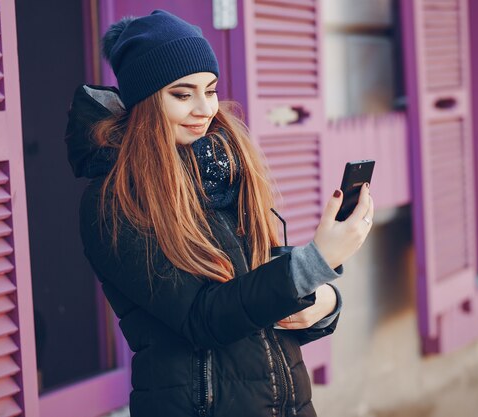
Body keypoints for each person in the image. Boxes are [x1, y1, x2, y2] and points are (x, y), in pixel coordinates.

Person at [65, 10, 374, 417]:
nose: (204, 108)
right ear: (144, 101)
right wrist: (315, 262)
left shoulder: (224, 171)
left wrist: (322, 302)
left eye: (210, 90)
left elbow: (261, 281)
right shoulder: (114, 200)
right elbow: (202, 317)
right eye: (182, 94)